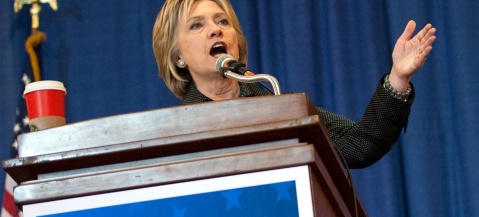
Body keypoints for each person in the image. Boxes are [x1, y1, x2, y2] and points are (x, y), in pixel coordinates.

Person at [152, 0, 436, 168]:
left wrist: (398, 78)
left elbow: (360, 146)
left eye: (222, 21)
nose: (216, 29)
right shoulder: (175, 131)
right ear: (176, 56)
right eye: (196, 25)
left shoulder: (278, 105)